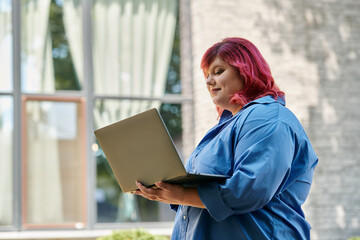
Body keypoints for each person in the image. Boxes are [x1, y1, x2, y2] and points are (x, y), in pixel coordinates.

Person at [133, 37, 318, 240]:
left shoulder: (269, 119)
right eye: (207, 75)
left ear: (246, 71)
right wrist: (163, 188)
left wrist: (181, 195)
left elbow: (248, 190)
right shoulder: (226, 127)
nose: (208, 81)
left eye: (219, 72)